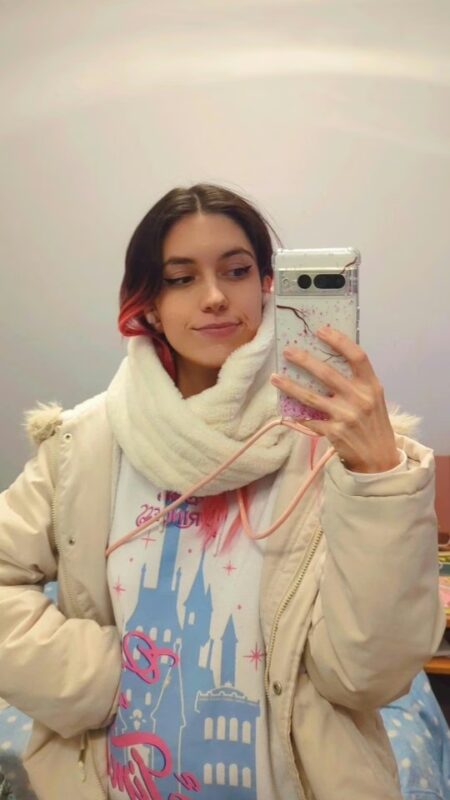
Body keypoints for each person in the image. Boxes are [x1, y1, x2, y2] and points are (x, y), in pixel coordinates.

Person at [0, 183, 445, 800]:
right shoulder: (83, 445)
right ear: (149, 304)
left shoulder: (337, 445)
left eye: (235, 271)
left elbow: (367, 676)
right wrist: (93, 678)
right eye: (181, 278)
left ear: (267, 285)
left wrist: (378, 478)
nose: (213, 297)